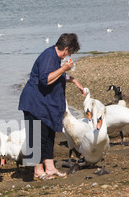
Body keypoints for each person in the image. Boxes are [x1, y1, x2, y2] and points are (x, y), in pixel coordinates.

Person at [18, 33, 85, 180]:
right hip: (34, 102)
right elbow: (45, 80)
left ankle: (50, 167)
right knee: (37, 136)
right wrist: (64, 68)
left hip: (44, 102)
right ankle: (37, 171)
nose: (70, 56)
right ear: (66, 49)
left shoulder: (55, 57)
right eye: (71, 52)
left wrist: (73, 80)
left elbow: (55, 75)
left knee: (49, 135)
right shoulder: (49, 56)